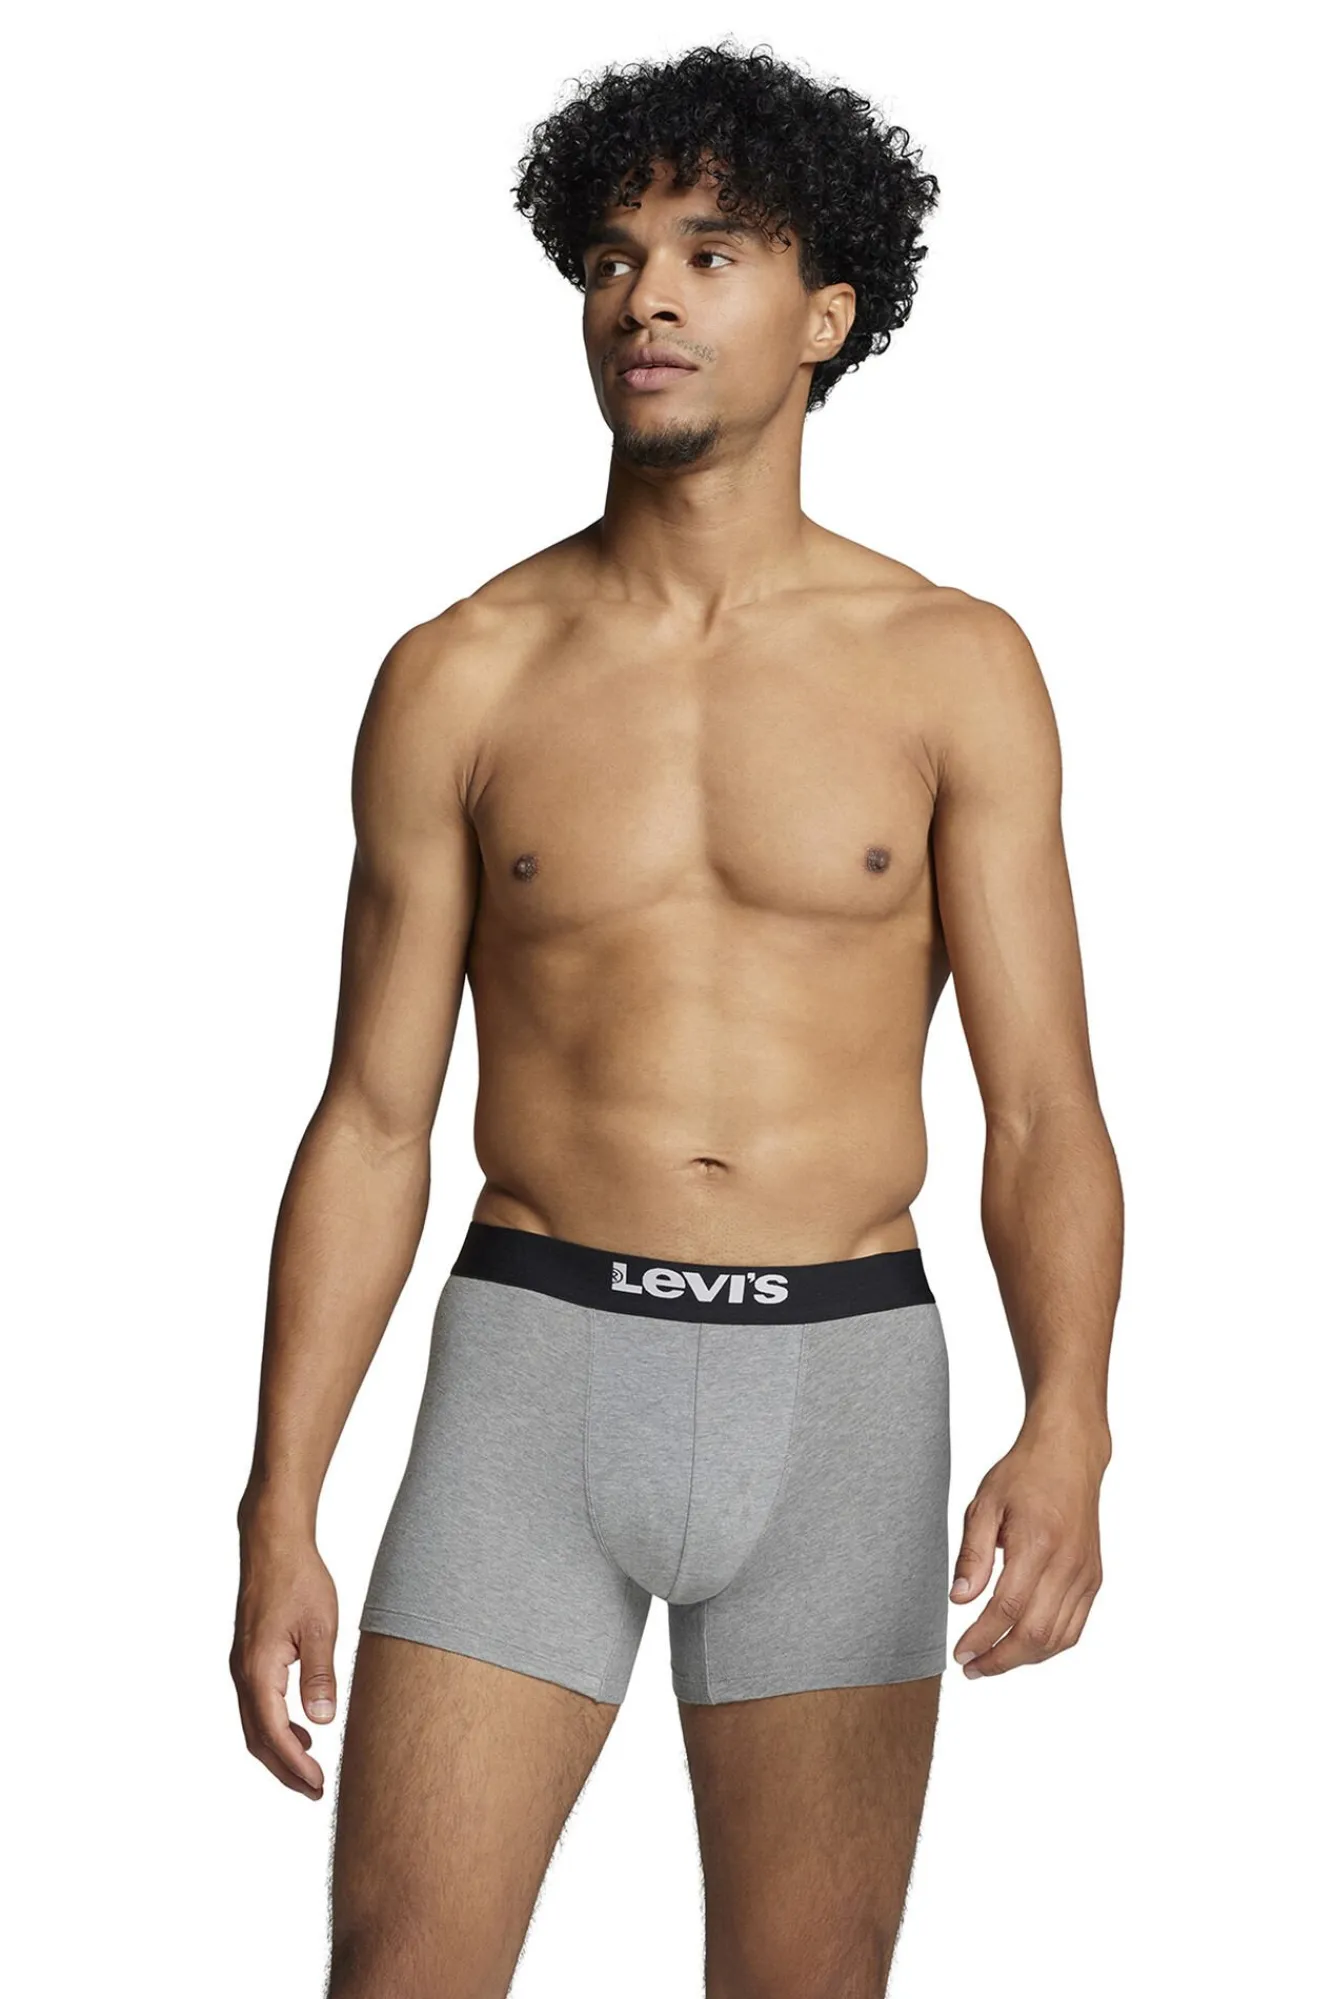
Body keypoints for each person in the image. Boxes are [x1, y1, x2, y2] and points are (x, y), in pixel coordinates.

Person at [231, 40, 1123, 1999]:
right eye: (616, 256)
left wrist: (1071, 1419)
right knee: (400, 1969)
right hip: (531, 1368)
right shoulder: (463, 672)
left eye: (712, 254)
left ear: (827, 313)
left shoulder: (954, 666)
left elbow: (1042, 1110)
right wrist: (278, 1501)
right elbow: (372, 1118)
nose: (647, 296)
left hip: (843, 1387)